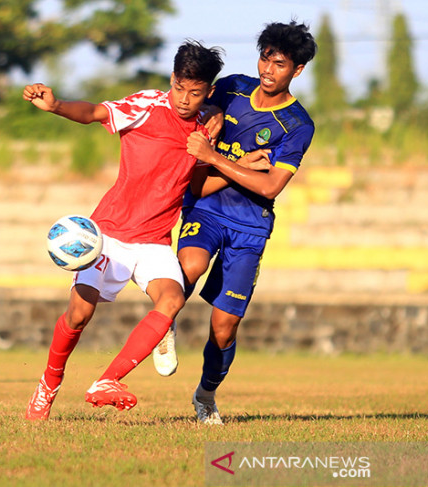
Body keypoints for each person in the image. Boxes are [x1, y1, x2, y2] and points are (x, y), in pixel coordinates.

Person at [24, 40, 271, 421]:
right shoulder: (145, 107)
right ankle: (48, 385)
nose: (184, 99)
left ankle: (107, 381)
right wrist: (56, 106)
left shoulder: (207, 125)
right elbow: (93, 112)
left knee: (171, 301)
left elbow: (196, 187)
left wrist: (232, 163)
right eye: (179, 88)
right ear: (171, 79)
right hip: (111, 232)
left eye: (195, 92)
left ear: (207, 90)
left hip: (155, 239)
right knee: (78, 314)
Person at [172, 21, 317, 425]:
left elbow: (270, 186)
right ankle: (164, 319)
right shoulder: (232, 86)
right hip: (207, 208)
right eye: (265, 59)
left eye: (280, 64)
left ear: (297, 71)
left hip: (251, 226)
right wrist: (212, 115)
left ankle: (205, 395)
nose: (269, 70)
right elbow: (194, 109)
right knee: (190, 267)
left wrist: (218, 158)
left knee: (224, 328)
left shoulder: (298, 125)